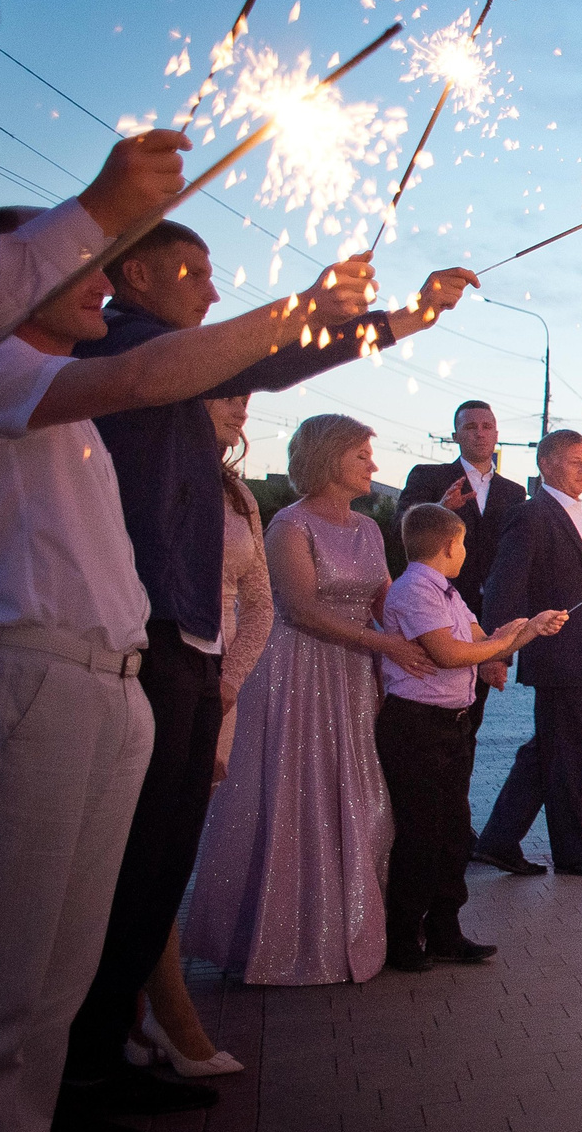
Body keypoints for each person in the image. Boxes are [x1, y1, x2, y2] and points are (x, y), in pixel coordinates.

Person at [0, 253, 371, 1132]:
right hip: (29, 670)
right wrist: (319, 309)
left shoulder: (73, 409)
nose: (96, 288)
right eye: (77, 269)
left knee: (59, 957)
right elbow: (154, 372)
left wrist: (375, 320)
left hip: (110, 677)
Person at [55, 223, 474, 1132]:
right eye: (193, 272)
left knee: (154, 865)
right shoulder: (126, 352)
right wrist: (349, 311)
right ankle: (66, 1087)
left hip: (187, 654)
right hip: (127, 642)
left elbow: (273, 362)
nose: (210, 291)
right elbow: (270, 357)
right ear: (130, 274)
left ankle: (106, 1057)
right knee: (112, 870)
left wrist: (403, 315)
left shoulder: (179, 377)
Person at [183, 415, 427, 986]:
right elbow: (300, 610)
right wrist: (383, 643)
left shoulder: (369, 530)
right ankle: (279, 936)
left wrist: (449, 632)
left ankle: (348, 929)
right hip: (298, 673)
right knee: (297, 791)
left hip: (353, 676)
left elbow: (388, 602)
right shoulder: (289, 526)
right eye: (362, 454)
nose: (373, 464)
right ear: (327, 457)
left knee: (361, 795)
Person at [128, 394, 271, 1080]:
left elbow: (261, 603)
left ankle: (133, 1009)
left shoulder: (239, 492)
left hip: (215, 685)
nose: (239, 404)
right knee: (137, 849)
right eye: (224, 390)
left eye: (246, 394)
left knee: (171, 847)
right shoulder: (148, 468)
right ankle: (154, 1007)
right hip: (154, 668)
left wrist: (228, 678)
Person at [377, 505, 565, 971]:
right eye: (462, 544)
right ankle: (403, 937)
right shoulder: (414, 590)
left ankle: (445, 930)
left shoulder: (447, 591)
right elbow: (450, 653)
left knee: (452, 832)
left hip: (452, 726)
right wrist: (506, 645)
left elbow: (485, 636)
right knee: (420, 834)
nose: (465, 551)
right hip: (416, 726)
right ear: (448, 546)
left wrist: (529, 626)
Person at [473, 429, 582, 877]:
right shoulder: (531, 515)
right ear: (546, 464)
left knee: (552, 746)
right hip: (556, 648)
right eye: (574, 460)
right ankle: (573, 852)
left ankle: (499, 841)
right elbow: (505, 587)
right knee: (565, 747)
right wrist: (495, 652)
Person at [0, 131, 185, 378]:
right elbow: (137, 381)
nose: (106, 287)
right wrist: (100, 209)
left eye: (97, 265)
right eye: (75, 262)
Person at [397, 399, 527, 728]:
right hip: (436, 616)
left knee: (472, 722)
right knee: (434, 717)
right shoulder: (430, 477)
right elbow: (402, 530)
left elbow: (513, 563)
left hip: (488, 618)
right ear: (456, 435)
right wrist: (441, 508)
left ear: (496, 434)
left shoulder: (514, 492)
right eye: (470, 427)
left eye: (486, 427)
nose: (479, 434)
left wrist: (500, 653)